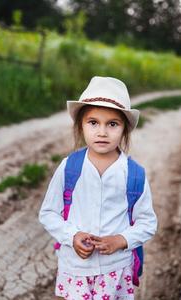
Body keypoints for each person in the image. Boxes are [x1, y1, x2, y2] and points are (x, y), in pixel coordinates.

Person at [39, 76, 157, 300]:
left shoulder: (133, 174)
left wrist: (121, 240)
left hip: (116, 270)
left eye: (112, 124)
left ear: (124, 130)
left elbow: (148, 222)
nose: (102, 132)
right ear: (81, 127)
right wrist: (72, 235)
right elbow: (48, 213)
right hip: (74, 268)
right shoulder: (69, 168)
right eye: (93, 122)